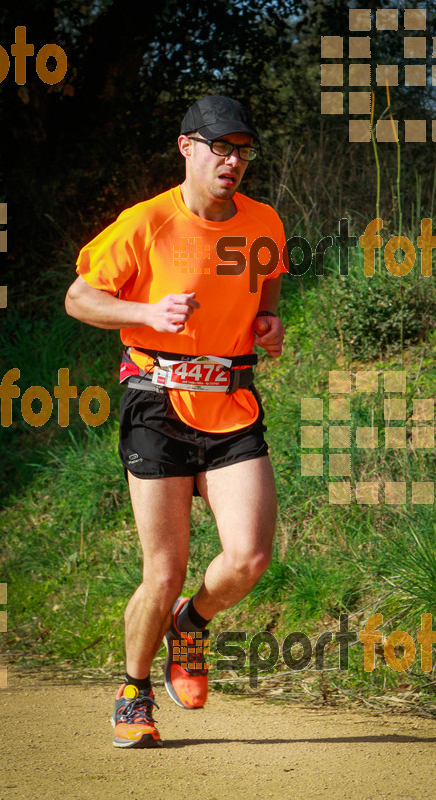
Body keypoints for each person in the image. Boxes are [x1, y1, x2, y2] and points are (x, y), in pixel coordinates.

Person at [65, 95, 287, 748]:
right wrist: (145, 315)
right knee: (161, 572)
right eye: (219, 147)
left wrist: (267, 324)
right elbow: (79, 298)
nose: (232, 161)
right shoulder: (146, 223)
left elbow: (265, 288)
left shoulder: (264, 222)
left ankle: (190, 624)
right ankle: (133, 691)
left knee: (247, 558)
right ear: (186, 147)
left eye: (241, 150)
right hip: (155, 405)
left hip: (229, 402)